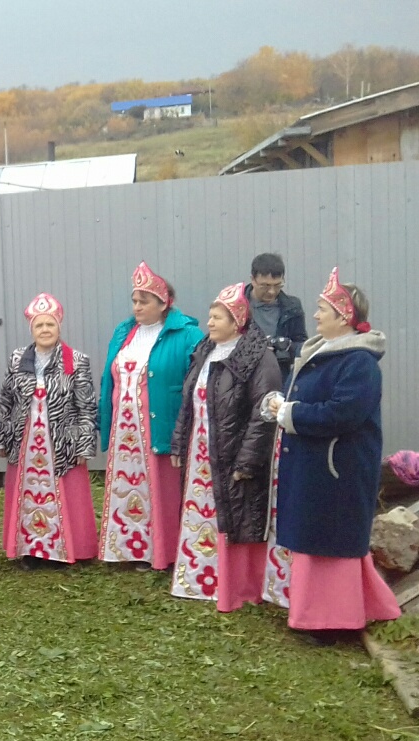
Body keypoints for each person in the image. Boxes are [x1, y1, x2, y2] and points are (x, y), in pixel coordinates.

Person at [263, 269, 400, 645]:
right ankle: (317, 614)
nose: (317, 315)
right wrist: (284, 407)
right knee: (316, 540)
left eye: (323, 309)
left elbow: (344, 413)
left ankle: (336, 621)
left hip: (338, 469)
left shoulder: (358, 362)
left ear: (343, 316)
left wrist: (290, 415)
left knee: (332, 544)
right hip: (317, 465)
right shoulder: (324, 354)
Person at [168, 284, 281, 610]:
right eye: (210, 316)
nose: (210, 322)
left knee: (235, 516)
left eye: (218, 317)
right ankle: (197, 578)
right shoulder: (205, 351)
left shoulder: (259, 358)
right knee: (201, 514)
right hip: (201, 453)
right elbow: (188, 402)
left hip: (232, 455)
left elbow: (265, 412)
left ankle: (234, 585)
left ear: (237, 320)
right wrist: (179, 443)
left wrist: (247, 460)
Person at [98, 263, 203, 571]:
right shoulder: (124, 331)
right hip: (124, 431)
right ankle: (125, 548)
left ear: (163, 302)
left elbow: (193, 383)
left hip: (158, 427)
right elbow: (109, 378)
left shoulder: (187, 334)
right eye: (134, 300)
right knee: (125, 486)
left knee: (159, 491)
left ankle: (160, 552)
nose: (137, 307)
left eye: (144, 301)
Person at [0, 293, 99, 569]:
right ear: (32, 329)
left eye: (49, 325)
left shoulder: (75, 360)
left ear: (59, 327)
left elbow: (86, 406)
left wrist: (84, 444)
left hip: (63, 444)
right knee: (29, 496)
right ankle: (31, 550)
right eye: (39, 326)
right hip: (25, 444)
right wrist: (2, 437)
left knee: (67, 496)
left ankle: (66, 548)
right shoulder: (18, 359)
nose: (45, 330)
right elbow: (6, 400)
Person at [244, 253, 307, 380]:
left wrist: (286, 345)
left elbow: (302, 346)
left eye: (278, 285)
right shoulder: (237, 305)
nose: (272, 291)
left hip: (278, 375)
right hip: (244, 376)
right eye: (265, 286)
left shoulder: (292, 307)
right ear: (252, 279)